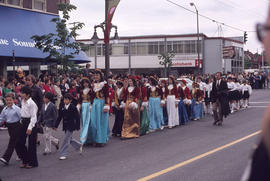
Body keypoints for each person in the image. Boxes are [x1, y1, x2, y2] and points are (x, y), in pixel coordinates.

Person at [16, 86, 38, 168]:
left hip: (31, 123)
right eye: (20, 92)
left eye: (22, 93)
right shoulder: (22, 101)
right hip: (23, 122)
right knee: (19, 142)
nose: (20, 94)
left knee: (31, 144)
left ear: (27, 94)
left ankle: (33, 163)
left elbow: (34, 117)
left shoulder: (32, 104)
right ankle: (25, 159)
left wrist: (30, 128)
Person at [55, 93, 82, 160]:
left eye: (67, 100)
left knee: (66, 139)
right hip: (65, 125)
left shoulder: (73, 107)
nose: (65, 101)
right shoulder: (62, 106)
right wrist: (56, 125)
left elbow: (77, 117)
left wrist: (77, 126)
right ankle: (78, 145)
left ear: (70, 101)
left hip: (71, 125)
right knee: (69, 139)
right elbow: (59, 117)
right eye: (64, 99)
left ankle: (63, 154)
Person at [87, 69, 110, 146]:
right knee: (94, 122)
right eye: (95, 75)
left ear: (101, 76)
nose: (96, 76)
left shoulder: (104, 84)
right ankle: (95, 138)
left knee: (102, 122)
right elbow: (92, 96)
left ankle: (101, 140)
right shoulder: (93, 84)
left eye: (97, 75)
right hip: (95, 104)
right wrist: (91, 104)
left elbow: (107, 95)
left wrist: (107, 104)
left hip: (102, 103)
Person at [0, 93, 21, 165]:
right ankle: (21, 155)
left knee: (12, 142)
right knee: (16, 142)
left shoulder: (17, 109)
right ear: (5, 101)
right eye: (7, 100)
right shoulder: (5, 109)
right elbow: (1, 118)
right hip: (9, 126)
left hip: (16, 126)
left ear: (14, 100)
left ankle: (6, 158)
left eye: (10, 100)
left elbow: (21, 117)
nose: (9, 101)